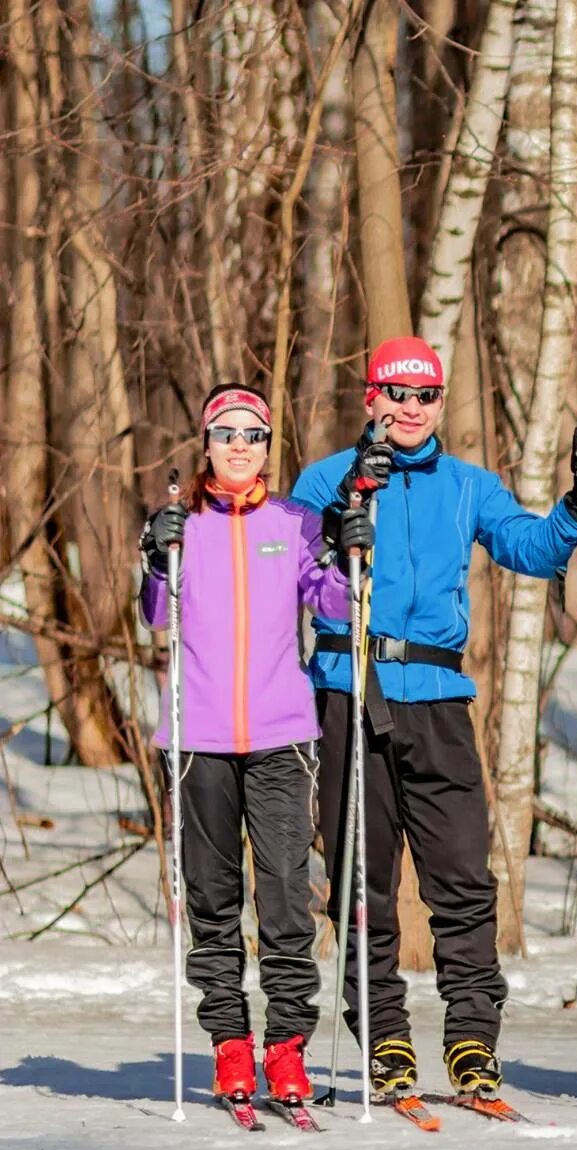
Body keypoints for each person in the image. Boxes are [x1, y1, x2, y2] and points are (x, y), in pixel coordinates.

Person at [292, 337, 577, 1099]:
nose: (410, 408)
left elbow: (529, 548)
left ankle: (472, 1039)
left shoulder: (469, 485)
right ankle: (385, 1039)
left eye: (425, 395)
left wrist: (576, 506)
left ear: (440, 402)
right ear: (370, 397)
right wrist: (344, 514)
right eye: (395, 394)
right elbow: (298, 577)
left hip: (437, 699)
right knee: (359, 878)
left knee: (463, 879)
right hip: (350, 687)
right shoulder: (322, 478)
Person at [138, 385, 369, 1108]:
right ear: (205, 444)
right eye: (226, 433)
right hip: (198, 736)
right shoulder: (178, 526)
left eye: (255, 434)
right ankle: (230, 1043)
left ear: (270, 446)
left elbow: (333, 602)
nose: (241, 445)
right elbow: (154, 614)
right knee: (212, 897)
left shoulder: (294, 521)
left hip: (280, 735)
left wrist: (350, 550)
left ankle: (287, 1044)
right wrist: (154, 556)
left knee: (285, 896)